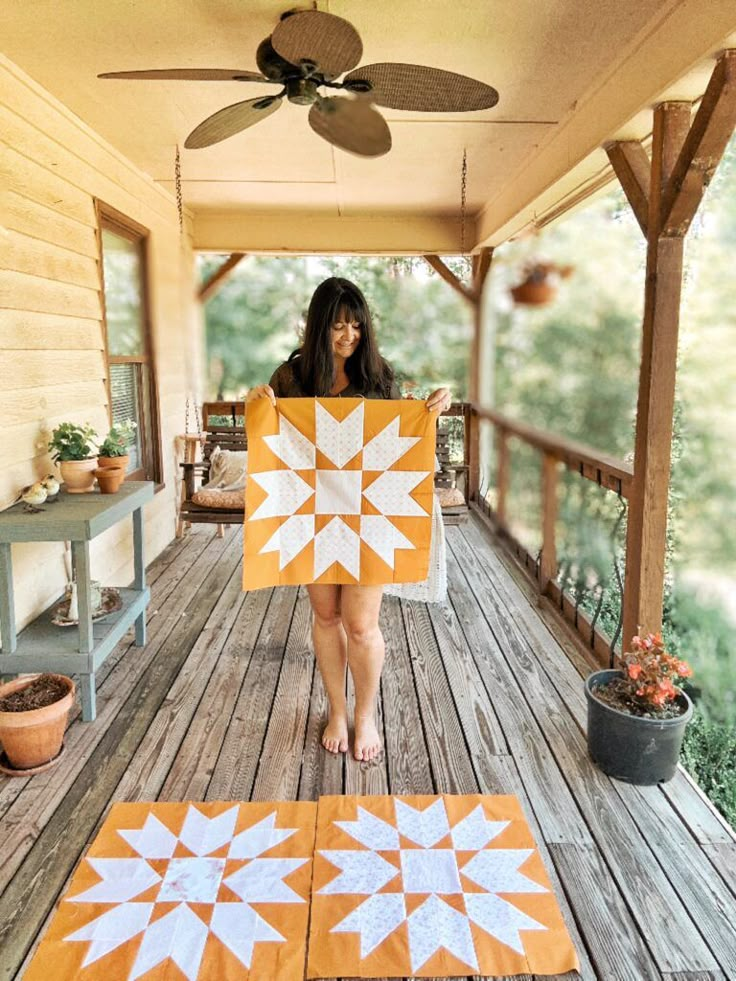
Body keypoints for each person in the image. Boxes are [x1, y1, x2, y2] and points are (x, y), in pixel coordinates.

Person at [246, 277, 451, 762]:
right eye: (339, 326)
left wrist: (431, 411)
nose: (348, 336)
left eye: (356, 326)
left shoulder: (380, 378)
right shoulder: (292, 378)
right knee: (326, 616)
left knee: (361, 625)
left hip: (370, 515)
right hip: (309, 513)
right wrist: (259, 405)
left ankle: (366, 714)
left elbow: (399, 442)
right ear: (320, 327)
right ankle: (336, 710)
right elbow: (270, 440)